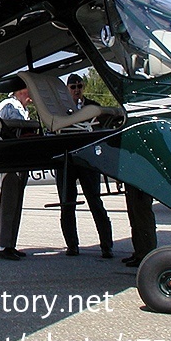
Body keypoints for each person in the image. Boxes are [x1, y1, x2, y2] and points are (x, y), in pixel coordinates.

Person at [58, 75, 113, 258]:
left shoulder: (93, 106)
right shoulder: (59, 109)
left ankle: (106, 245)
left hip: (88, 161)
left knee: (95, 202)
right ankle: (72, 245)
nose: (76, 89)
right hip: (66, 160)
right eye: (73, 86)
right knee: (67, 204)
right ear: (67, 89)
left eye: (79, 86)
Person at [0, 78, 33, 261]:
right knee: (9, 203)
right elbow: (16, 127)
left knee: (16, 203)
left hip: (20, 159)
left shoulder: (22, 108)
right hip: (9, 161)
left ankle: (11, 244)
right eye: (28, 91)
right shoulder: (10, 105)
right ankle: (3, 246)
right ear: (20, 91)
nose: (31, 95)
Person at [123, 185, 157, 267]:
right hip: (132, 180)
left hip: (141, 182)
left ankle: (145, 253)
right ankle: (139, 251)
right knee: (134, 215)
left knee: (142, 215)